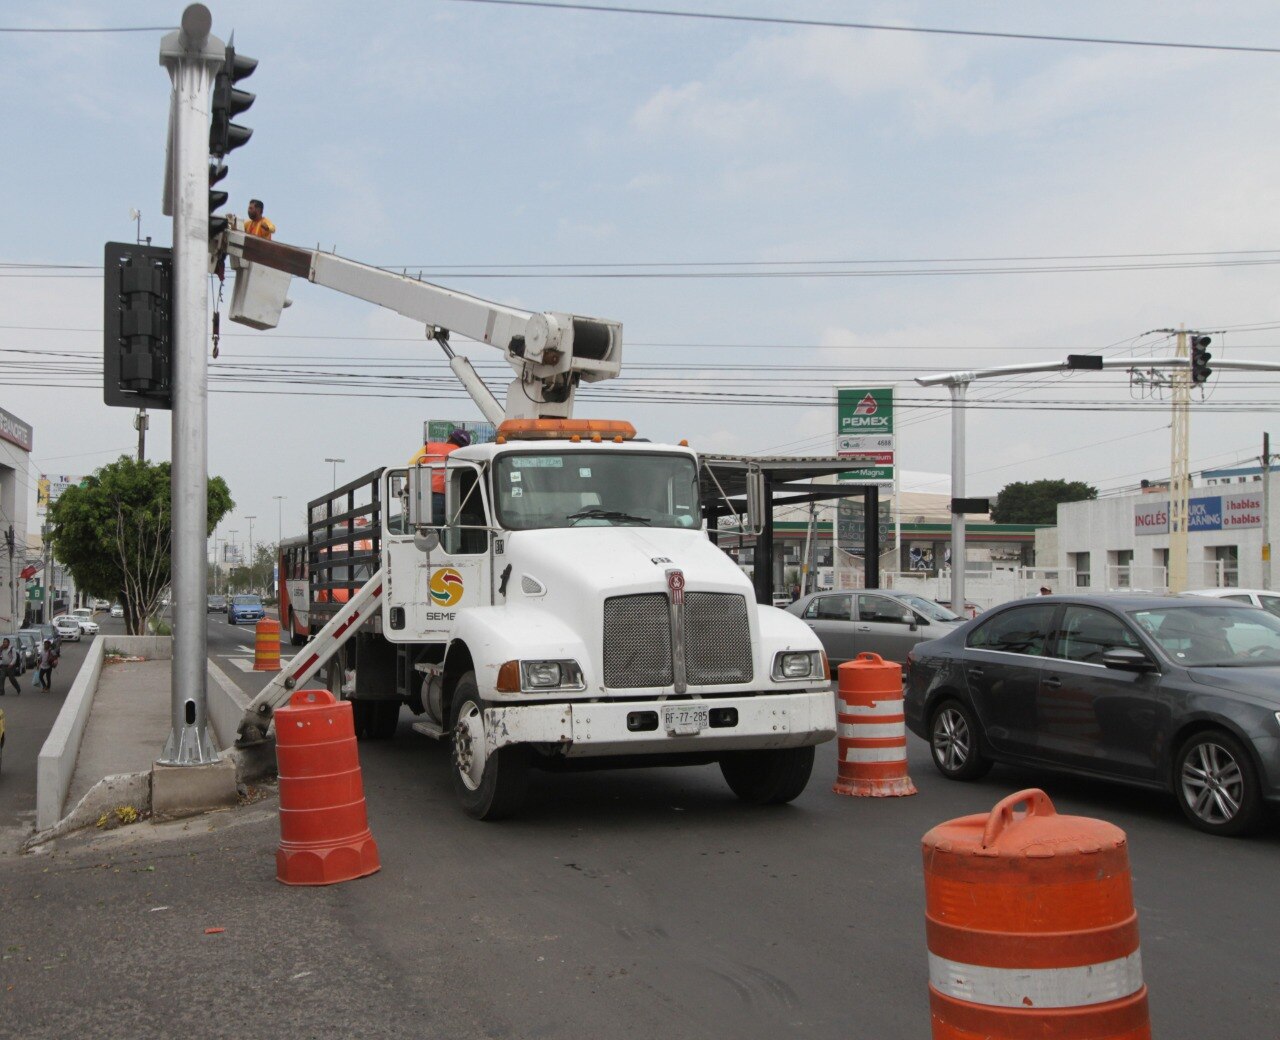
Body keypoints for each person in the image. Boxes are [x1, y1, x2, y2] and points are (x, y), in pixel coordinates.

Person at [413, 428, 471, 523]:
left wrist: (408, 484)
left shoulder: (430, 447)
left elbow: (412, 463)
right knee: (452, 524)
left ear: (449, 437)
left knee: (429, 525)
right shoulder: (463, 454)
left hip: (429, 493)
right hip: (455, 496)